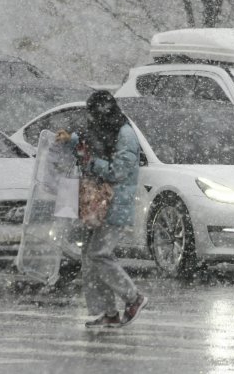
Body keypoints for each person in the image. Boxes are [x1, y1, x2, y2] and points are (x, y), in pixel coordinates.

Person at [56, 90, 148, 329]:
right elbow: (89, 140)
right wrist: (71, 140)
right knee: (90, 256)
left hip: (114, 205)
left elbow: (119, 171)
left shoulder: (125, 135)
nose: (93, 119)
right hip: (97, 205)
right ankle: (108, 312)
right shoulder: (105, 130)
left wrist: (91, 162)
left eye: (96, 114)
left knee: (99, 253)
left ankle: (133, 298)